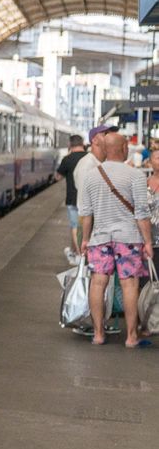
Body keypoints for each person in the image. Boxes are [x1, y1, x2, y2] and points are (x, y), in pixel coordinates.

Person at [79, 130, 154, 347]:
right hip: (129, 238)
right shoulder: (135, 176)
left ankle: (98, 334)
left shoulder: (91, 175)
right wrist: (148, 242)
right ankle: (131, 337)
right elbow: (141, 213)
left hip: (99, 237)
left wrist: (85, 239)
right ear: (123, 149)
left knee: (98, 283)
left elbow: (86, 213)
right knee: (130, 286)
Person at [56, 134, 86, 263]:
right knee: (84, 226)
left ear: (70, 144)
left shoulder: (67, 159)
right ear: (82, 143)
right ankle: (74, 252)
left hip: (72, 198)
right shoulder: (89, 158)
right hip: (87, 199)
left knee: (75, 226)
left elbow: (58, 177)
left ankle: (79, 255)